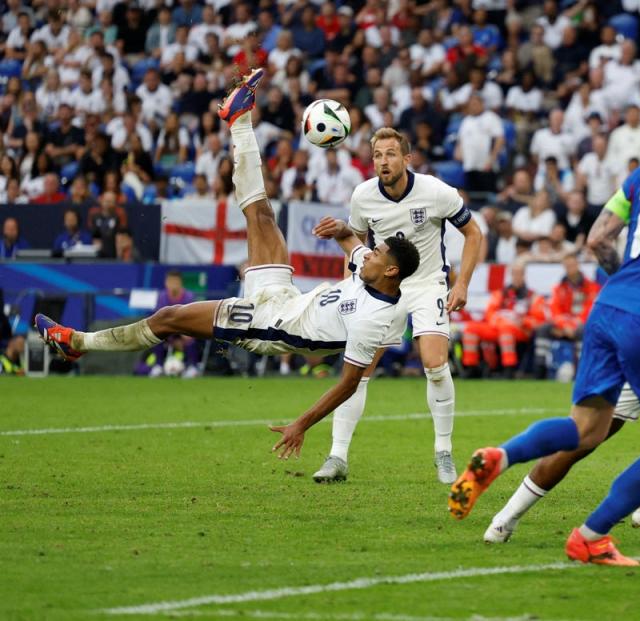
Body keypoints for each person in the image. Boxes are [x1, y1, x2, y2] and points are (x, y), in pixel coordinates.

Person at [36, 70, 420, 458]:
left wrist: (300, 423)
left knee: (170, 316)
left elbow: (349, 384)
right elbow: (351, 243)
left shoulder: (376, 317)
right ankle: (240, 118)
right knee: (262, 215)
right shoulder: (370, 272)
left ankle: (77, 343)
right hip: (284, 297)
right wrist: (340, 229)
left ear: (391, 271)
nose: (368, 253)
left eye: (377, 253)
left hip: (265, 325)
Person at [448, 100, 640, 565]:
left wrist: (629, 282)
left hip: (608, 306)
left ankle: (501, 455)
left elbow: (597, 239)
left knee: (584, 430)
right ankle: (590, 535)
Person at [314, 127, 485, 486]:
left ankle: (443, 451)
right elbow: (355, 240)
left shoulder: (436, 191)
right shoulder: (362, 196)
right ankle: (337, 456)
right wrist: (358, 266)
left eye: (391, 154)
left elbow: (474, 233)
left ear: (406, 159)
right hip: (383, 287)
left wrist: (463, 282)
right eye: (377, 154)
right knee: (358, 371)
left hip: (426, 283)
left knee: (435, 365)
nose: (383, 161)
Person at [460, 260, 546, 376]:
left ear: (524, 275)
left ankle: (508, 368)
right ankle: (470, 366)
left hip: (520, 329)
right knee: (471, 328)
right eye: (514, 273)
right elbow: (490, 313)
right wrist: (500, 321)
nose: (516, 277)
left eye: (519, 273)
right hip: (498, 326)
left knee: (506, 329)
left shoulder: (533, 296)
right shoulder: (501, 293)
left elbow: (539, 320)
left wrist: (523, 321)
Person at [532, 253, 600, 379]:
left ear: (578, 265)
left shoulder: (591, 287)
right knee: (542, 329)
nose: (570, 268)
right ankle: (540, 372)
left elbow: (590, 310)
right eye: (567, 266)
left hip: (580, 326)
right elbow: (554, 310)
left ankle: (581, 373)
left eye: (572, 265)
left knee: (583, 330)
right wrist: (564, 326)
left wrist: (573, 326)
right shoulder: (558, 288)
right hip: (562, 326)